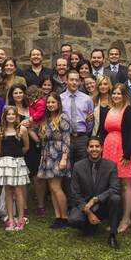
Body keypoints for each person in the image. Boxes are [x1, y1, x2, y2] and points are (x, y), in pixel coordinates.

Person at [67, 137, 122, 249]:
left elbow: (115, 188)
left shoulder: (111, 166)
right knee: (74, 220)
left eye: (97, 146)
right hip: (85, 205)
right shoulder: (78, 166)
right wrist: (88, 212)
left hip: (103, 205)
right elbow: (75, 194)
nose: (94, 149)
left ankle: (112, 235)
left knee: (115, 198)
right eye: (91, 146)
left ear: (101, 148)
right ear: (87, 149)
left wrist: (96, 199)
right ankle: (89, 224)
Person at [101, 84, 131, 235]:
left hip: (123, 152)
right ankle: (114, 217)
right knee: (113, 184)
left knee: (125, 184)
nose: (116, 96)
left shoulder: (129, 111)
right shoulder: (109, 110)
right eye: (114, 93)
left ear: (124, 96)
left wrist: (127, 154)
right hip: (109, 150)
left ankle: (126, 219)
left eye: (119, 94)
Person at [38, 92, 71, 228]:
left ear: (58, 103)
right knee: (51, 188)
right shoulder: (46, 119)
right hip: (47, 155)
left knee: (57, 187)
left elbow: (67, 140)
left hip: (58, 155)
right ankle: (58, 216)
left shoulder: (63, 117)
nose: (50, 105)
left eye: (53, 102)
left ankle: (65, 217)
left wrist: (64, 159)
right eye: (49, 103)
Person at [0, 106, 30, 230]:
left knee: (18, 191)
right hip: (5, 162)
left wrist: (17, 156)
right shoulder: (0, 130)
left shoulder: (22, 130)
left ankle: (20, 219)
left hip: (18, 161)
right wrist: (6, 159)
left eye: (13, 114)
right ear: (4, 116)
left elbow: (26, 147)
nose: (10, 116)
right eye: (8, 114)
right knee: (8, 191)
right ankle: (10, 219)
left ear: (17, 116)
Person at [60, 71, 93, 173]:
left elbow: (91, 120)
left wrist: (86, 133)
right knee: (66, 169)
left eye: (76, 80)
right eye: (71, 80)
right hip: (66, 137)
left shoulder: (87, 99)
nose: (74, 82)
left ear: (80, 82)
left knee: (83, 169)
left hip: (82, 138)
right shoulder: (60, 99)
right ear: (66, 81)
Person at [90, 75, 114, 141]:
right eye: (100, 84)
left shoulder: (114, 101)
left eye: (105, 84)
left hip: (111, 136)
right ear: (97, 86)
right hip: (97, 136)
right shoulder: (92, 101)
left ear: (109, 86)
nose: (103, 86)